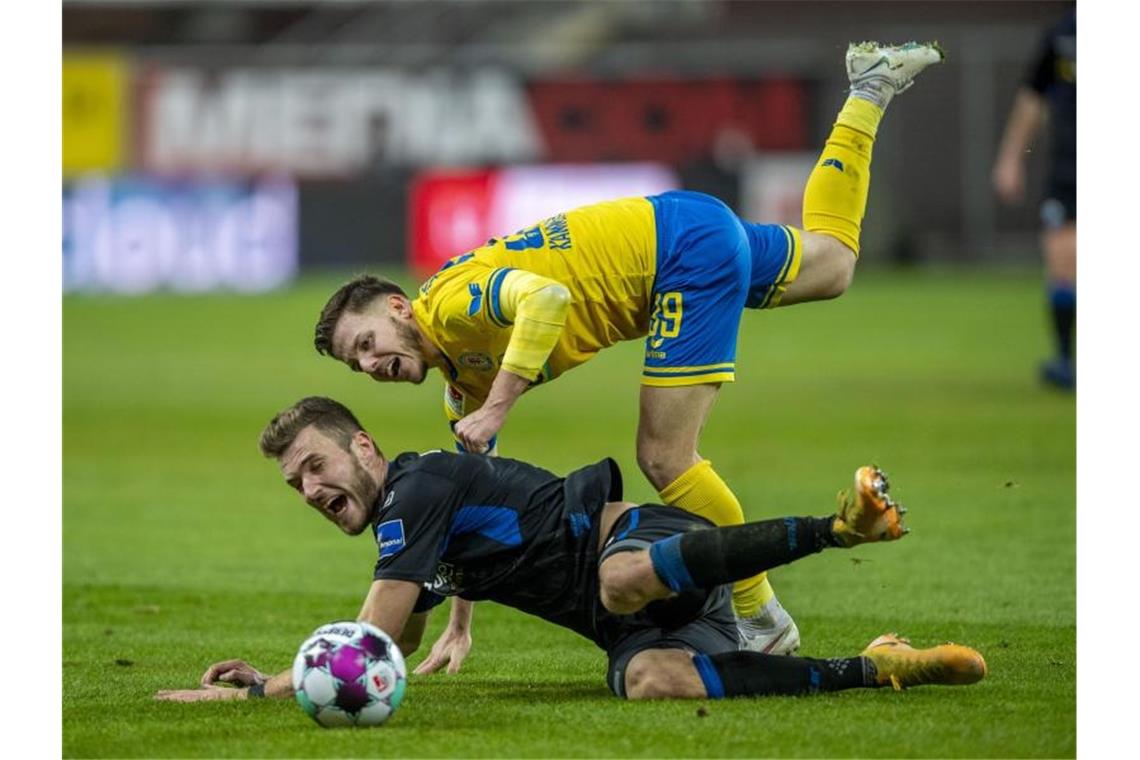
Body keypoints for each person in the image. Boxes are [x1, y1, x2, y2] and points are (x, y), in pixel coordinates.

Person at [312, 41, 945, 654]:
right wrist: (460, 621)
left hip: (677, 255)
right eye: (354, 362)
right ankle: (869, 86)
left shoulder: (449, 307)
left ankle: (762, 618)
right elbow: (466, 502)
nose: (369, 365)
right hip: (680, 225)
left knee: (666, 456)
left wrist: (501, 406)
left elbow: (545, 303)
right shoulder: (458, 383)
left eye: (367, 342)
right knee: (831, 266)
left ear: (399, 308)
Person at [154, 396, 985, 704]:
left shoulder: (413, 491)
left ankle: (838, 529)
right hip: (642, 622)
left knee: (620, 581)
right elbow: (398, 642)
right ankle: (876, 669)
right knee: (649, 681)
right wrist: (456, 624)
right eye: (294, 484)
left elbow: (372, 637)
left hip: (648, 544)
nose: (308, 490)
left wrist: (267, 688)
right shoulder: (413, 516)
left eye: (315, 466)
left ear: (363, 448)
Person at [992, 7, 1076, 390]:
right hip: (1069, 166)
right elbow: (1033, 98)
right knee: (1062, 257)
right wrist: (1011, 159)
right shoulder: (1063, 34)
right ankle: (1064, 360)